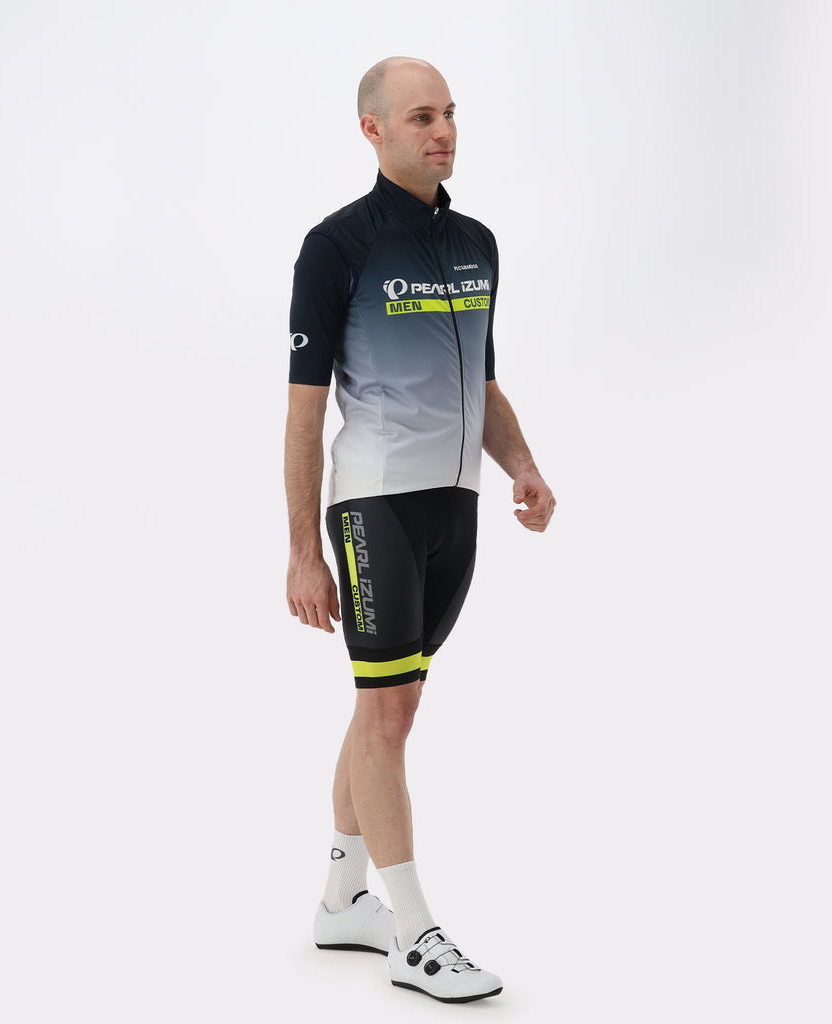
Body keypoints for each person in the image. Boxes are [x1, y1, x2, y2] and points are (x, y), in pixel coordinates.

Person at [285, 56, 555, 1004]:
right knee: (389, 714)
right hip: (376, 505)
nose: (443, 132)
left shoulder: (477, 243)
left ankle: (340, 901)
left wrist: (522, 466)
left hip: (456, 506)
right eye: (420, 117)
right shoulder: (338, 246)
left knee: (386, 707)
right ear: (373, 130)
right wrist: (303, 550)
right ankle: (413, 932)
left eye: (449, 115)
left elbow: (484, 379)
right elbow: (303, 411)